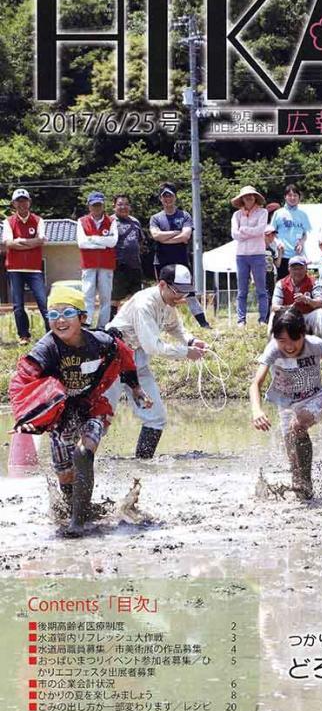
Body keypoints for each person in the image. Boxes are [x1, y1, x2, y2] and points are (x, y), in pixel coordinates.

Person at [9, 285, 150, 537]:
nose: (60, 320)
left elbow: (125, 357)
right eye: (53, 315)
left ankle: (78, 522)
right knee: (65, 476)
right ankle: (78, 511)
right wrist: (27, 415)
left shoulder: (101, 342)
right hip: (60, 415)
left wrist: (137, 389)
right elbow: (24, 379)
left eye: (67, 313)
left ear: (82, 318)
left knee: (83, 454)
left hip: (92, 407)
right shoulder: (47, 348)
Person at [250, 307, 322, 500]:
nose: (289, 347)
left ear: (303, 335)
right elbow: (256, 383)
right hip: (287, 404)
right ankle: (301, 488)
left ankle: (306, 483)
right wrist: (257, 410)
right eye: (282, 341)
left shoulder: (315, 345)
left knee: (297, 426)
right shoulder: (273, 349)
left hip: (315, 399)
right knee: (292, 453)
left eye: (294, 340)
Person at [106, 264, 208, 459]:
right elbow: (153, 346)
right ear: (163, 285)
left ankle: (142, 465)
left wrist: (191, 340)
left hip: (138, 363)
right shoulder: (143, 304)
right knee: (100, 418)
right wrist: (186, 352)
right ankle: (76, 464)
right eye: (178, 292)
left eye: (185, 293)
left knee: (156, 418)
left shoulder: (168, 302)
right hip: (113, 362)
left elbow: (174, 327)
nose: (181, 298)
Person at [149, 181, 210, 328]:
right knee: (162, 293)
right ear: (160, 199)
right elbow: (156, 236)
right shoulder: (155, 218)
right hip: (162, 261)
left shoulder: (184, 216)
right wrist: (176, 233)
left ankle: (203, 324)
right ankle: (159, 325)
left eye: (170, 195)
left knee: (189, 294)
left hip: (181, 261)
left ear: (175, 197)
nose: (167, 199)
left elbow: (185, 237)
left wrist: (166, 238)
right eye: (164, 196)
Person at [1, 188, 49, 344]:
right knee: (18, 305)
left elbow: (41, 240)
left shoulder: (38, 220)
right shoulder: (8, 221)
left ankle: (52, 333)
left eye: (24, 200)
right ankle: (24, 335)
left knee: (44, 303)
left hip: (34, 268)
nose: (22, 204)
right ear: (14, 204)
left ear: (29, 202)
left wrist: (20, 241)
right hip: (15, 269)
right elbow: (8, 243)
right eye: (19, 201)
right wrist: (31, 242)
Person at [77, 191, 118, 328]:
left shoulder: (111, 221)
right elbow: (82, 243)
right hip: (88, 264)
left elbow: (112, 242)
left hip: (106, 265)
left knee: (105, 298)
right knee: (87, 295)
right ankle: (86, 324)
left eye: (99, 205)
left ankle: (102, 326)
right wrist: (103, 243)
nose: (97, 208)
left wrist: (93, 239)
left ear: (103, 205)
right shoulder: (81, 221)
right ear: (89, 206)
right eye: (94, 205)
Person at [230, 185, 269, 326]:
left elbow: (260, 230)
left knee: (261, 289)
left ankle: (263, 319)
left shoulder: (262, 212)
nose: (249, 198)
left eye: (251, 195)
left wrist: (244, 230)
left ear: (255, 197)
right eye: (246, 196)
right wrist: (249, 232)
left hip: (258, 253)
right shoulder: (236, 215)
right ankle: (241, 319)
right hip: (241, 255)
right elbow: (234, 234)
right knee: (242, 290)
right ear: (241, 199)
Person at [271, 256, 322, 337]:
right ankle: (274, 343)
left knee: (320, 313)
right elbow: (274, 307)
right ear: (289, 269)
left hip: (308, 315)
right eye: (294, 268)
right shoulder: (281, 284)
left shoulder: (314, 282)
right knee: (273, 315)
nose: (297, 271)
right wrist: (288, 308)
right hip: (289, 317)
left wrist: (307, 299)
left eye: (301, 268)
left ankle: (319, 340)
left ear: (306, 269)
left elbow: (321, 303)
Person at [110, 193, 145, 320]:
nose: (123, 207)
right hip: (117, 266)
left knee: (136, 298)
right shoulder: (110, 221)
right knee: (115, 298)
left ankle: (134, 323)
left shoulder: (135, 222)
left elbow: (140, 241)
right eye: (120, 204)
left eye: (126, 204)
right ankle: (111, 325)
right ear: (114, 206)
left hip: (135, 265)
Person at [270, 184, 311, 279]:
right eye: (289, 195)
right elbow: (272, 233)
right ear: (285, 197)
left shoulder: (303, 214)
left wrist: (301, 242)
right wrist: (278, 242)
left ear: (299, 197)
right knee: (283, 284)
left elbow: (305, 233)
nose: (292, 198)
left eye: (295, 195)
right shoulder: (278, 213)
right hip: (283, 255)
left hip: (299, 255)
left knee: (300, 283)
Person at [264, 224, 283, 310]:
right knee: (265, 296)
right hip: (261, 275)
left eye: (273, 235)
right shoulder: (257, 249)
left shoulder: (271, 250)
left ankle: (267, 317)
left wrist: (280, 252)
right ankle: (263, 318)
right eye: (269, 235)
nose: (271, 237)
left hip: (270, 275)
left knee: (271, 296)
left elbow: (277, 264)